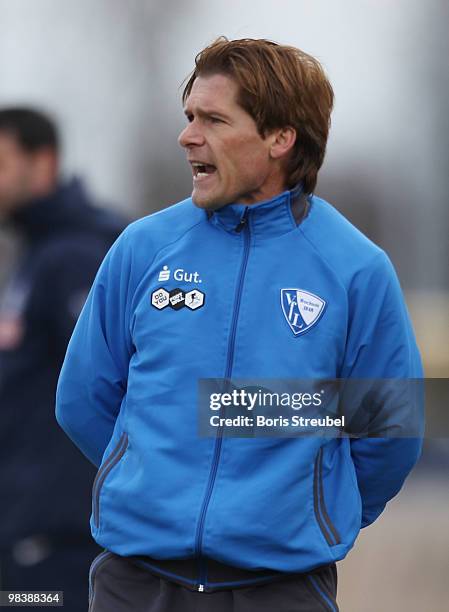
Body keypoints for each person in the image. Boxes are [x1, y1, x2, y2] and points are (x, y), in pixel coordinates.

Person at [56, 38, 423, 612]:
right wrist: (152, 479)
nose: (187, 136)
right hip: (135, 581)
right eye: (189, 117)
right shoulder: (142, 247)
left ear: (280, 138)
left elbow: (389, 434)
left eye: (214, 119)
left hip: (281, 590)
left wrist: (310, 511)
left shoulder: (355, 268)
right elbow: (83, 398)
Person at [0, 107, 126, 610]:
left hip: (61, 545)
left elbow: (113, 387)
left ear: (43, 162)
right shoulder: (34, 251)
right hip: (28, 536)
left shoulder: (78, 253)